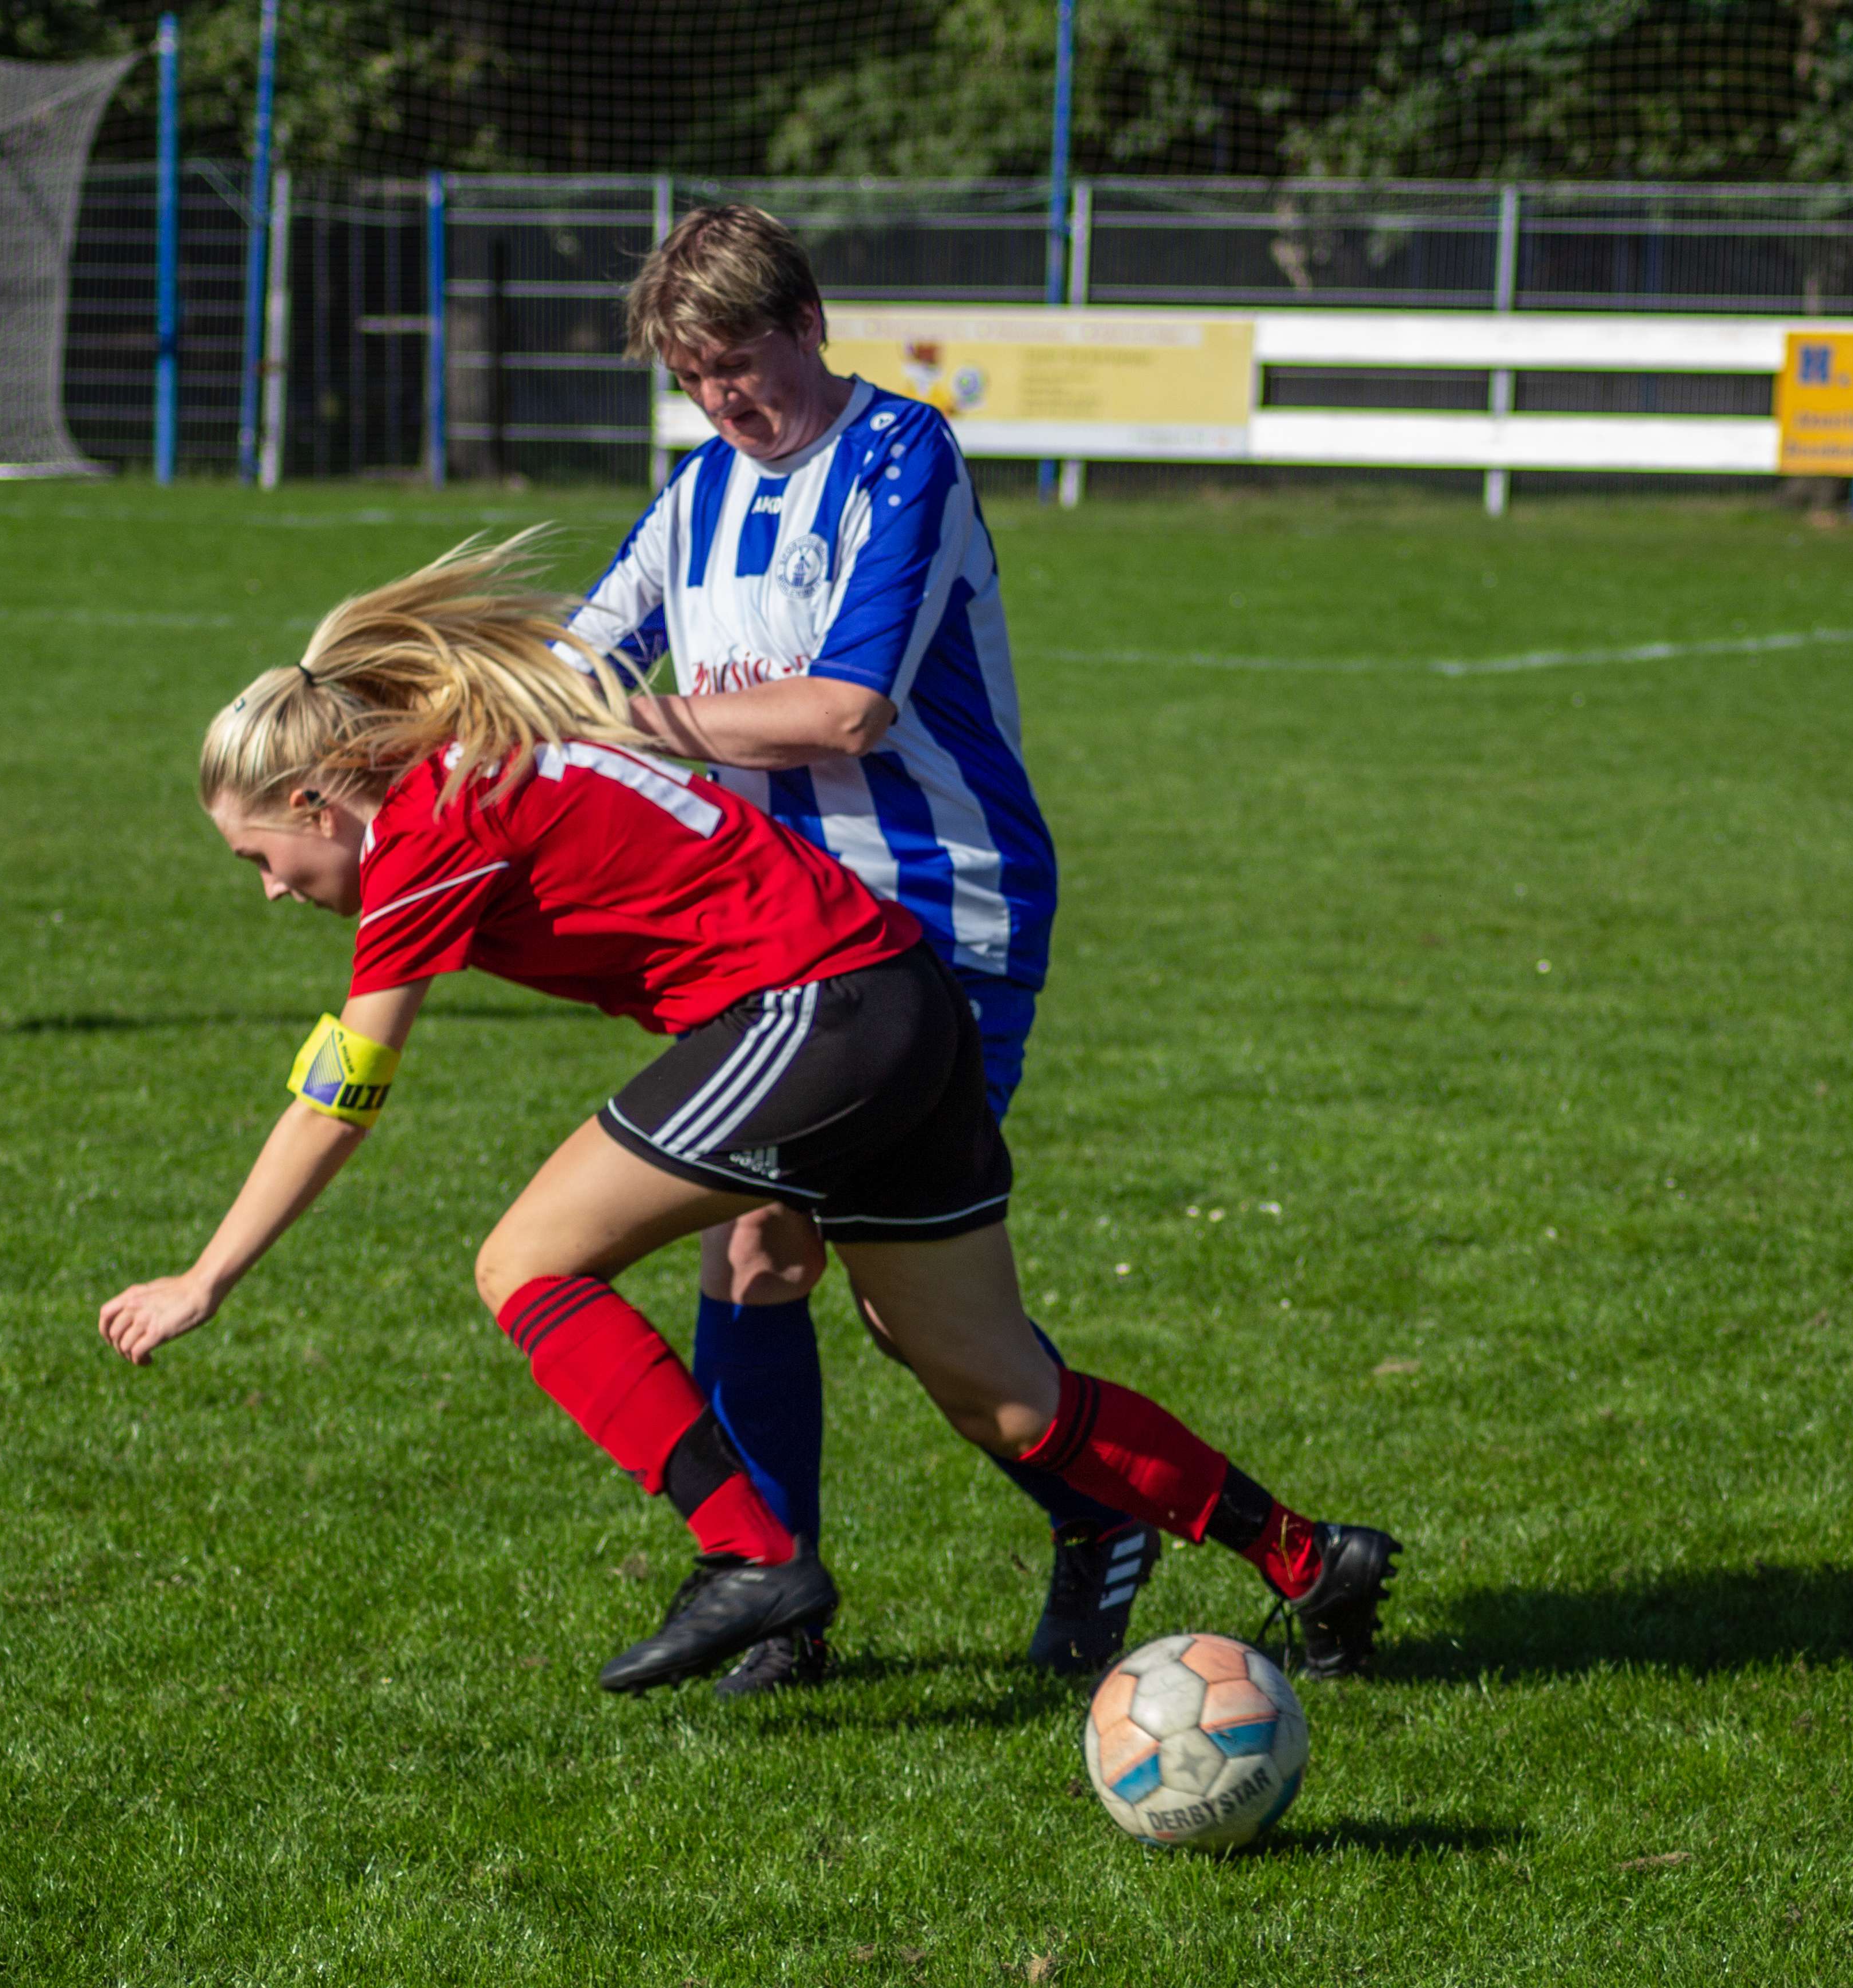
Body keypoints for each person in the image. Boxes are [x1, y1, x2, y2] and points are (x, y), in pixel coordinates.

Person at [93, 535, 1399, 1693]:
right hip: (901, 1004)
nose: (271, 889)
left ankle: (751, 1559)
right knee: (1004, 1396)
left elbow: (343, 1093)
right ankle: (1309, 1557)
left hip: (814, 1012)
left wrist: (207, 1278)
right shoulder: (479, 774)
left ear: (317, 804)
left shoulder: (432, 824)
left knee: (524, 1263)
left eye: (261, 858)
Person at [564, 202, 1151, 1692]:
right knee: (751, 1246)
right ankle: (776, 1596)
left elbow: (845, 710)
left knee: (916, 1319)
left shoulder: (903, 456)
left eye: (740, 364)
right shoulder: (696, 494)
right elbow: (568, 665)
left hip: (938, 913)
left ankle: (1109, 1515)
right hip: (778, 934)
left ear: (809, 324)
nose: (723, 400)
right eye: (693, 377)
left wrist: (621, 719)